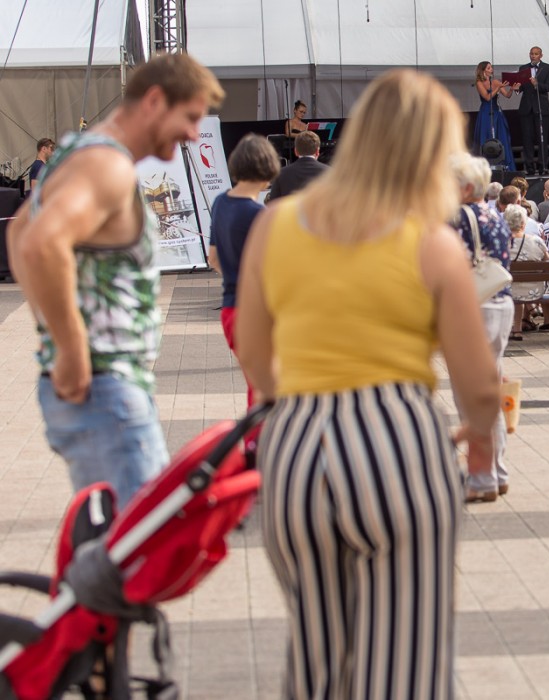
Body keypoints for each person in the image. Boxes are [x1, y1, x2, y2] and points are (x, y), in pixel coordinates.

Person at [235, 70, 500, 700]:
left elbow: (254, 351)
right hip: (396, 440)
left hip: (297, 447)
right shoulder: (431, 243)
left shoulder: (275, 225)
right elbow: (479, 385)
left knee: (317, 658)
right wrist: (477, 435)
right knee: (404, 663)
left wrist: (296, 402)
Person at [7, 53, 224, 507]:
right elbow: (40, 243)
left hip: (100, 388)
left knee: (119, 537)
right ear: (154, 100)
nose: (193, 134)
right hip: (106, 390)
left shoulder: (80, 152)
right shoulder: (107, 166)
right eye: (190, 117)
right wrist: (70, 349)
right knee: (141, 538)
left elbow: (19, 230)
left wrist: (54, 335)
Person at [207, 134, 280, 458]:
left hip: (230, 310)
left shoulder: (220, 202)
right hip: (256, 313)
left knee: (255, 382)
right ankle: (258, 450)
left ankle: (256, 448)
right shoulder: (258, 215)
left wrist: (234, 278)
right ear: (267, 170)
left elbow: (213, 257)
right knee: (266, 386)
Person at [452, 153, 514, 503]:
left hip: (474, 308)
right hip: (500, 303)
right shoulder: (495, 215)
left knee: (472, 397)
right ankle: (497, 471)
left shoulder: (460, 217)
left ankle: (482, 477)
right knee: (490, 391)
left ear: (464, 187)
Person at [505, 203, 549, 340]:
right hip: (534, 289)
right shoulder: (537, 241)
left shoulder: (502, 242)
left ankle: (517, 329)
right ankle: (528, 314)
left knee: (515, 286)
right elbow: (548, 263)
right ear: (524, 223)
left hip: (508, 289)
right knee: (520, 287)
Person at [516, 46, 549, 176]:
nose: (533, 56)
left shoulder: (548, 68)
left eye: (536, 54)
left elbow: (548, 87)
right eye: (532, 54)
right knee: (527, 139)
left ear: (541, 55)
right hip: (526, 108)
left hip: (541, 108)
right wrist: (517, 88)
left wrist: (537, 84)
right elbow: (521, 88)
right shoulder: (523, 68)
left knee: (542, 138)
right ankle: (529, 167)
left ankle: (543, 166)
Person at [473, 61, 517, 172]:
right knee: (486, 137)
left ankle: (504, 166)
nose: (491, 69)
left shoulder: (496, 82)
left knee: (501, 137)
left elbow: (507, 95)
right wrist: (498, 88)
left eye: (491, 67)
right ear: (483, 70)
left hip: (497, 112)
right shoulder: (479, 83)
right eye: (489, 68)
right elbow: (487, 97)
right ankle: (485, 167)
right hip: (486, 112)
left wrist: (511, 89)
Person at [265, 130, 330, 202]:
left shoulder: (281, 174)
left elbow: (273, 203)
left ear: (296, 151)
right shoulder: (330, 172)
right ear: (317, 152)